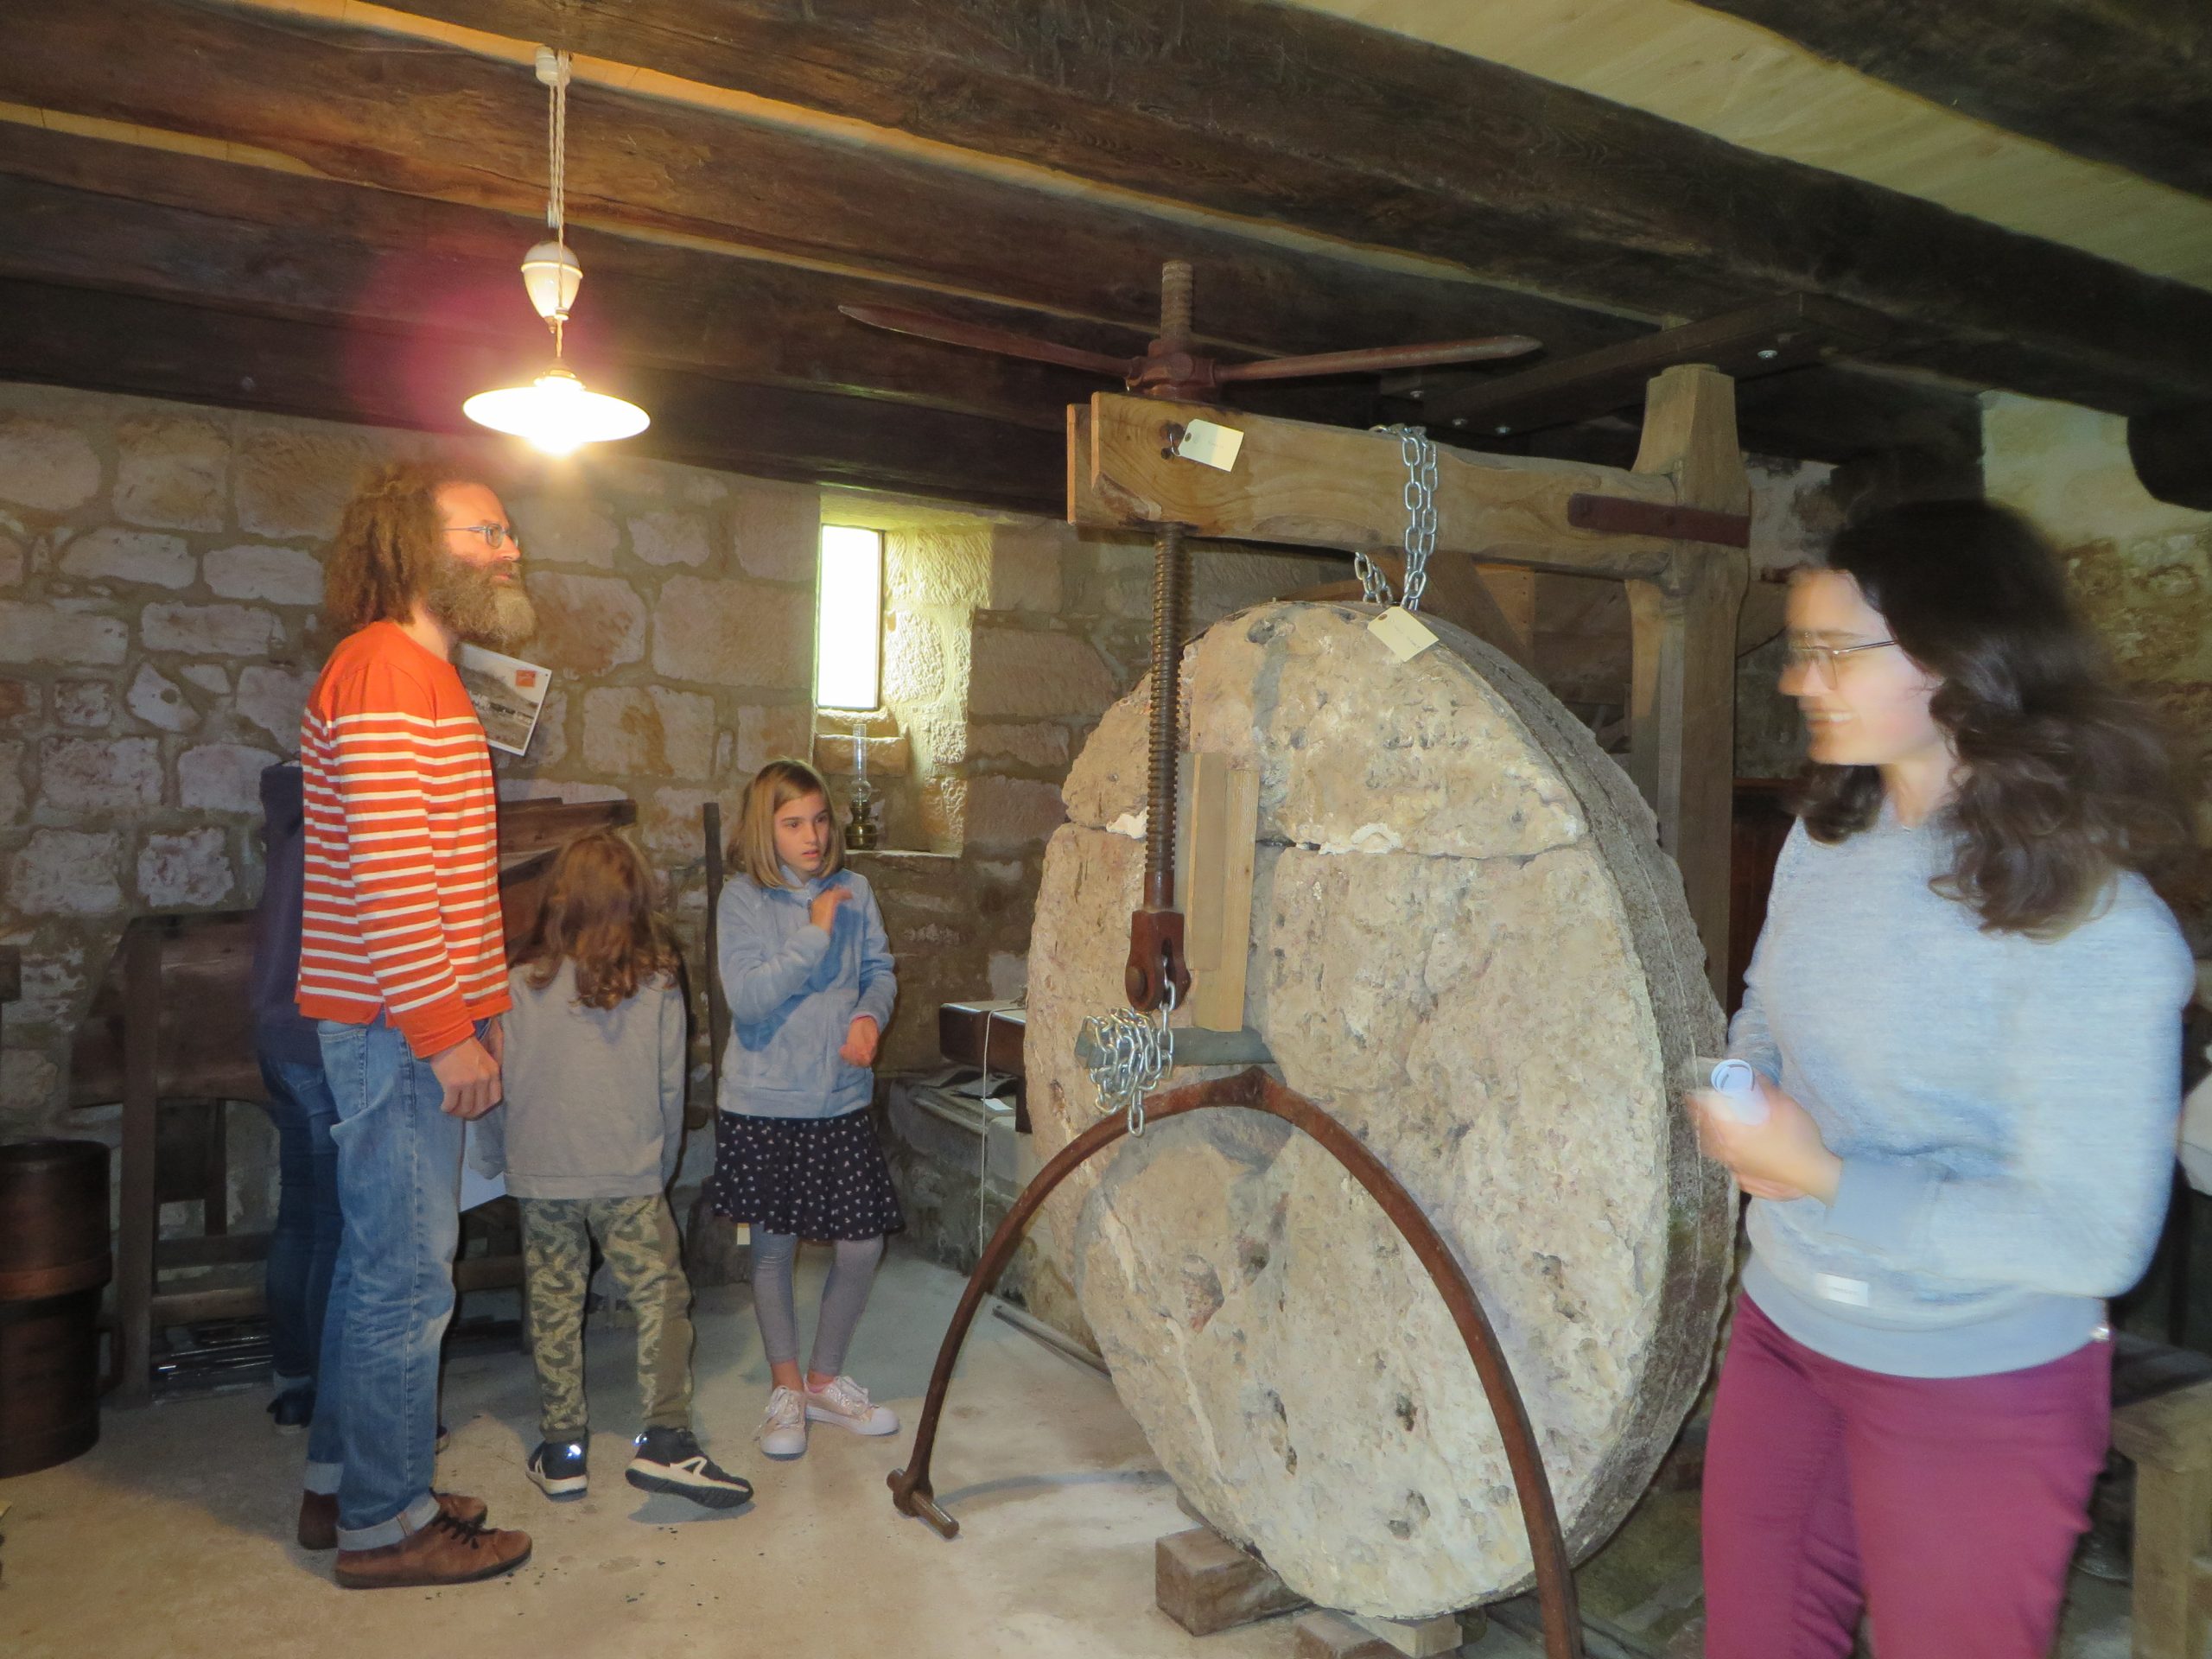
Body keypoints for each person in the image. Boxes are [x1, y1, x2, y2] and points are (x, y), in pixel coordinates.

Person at [1693, 499, 2197, 1659]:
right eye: (1799, 649)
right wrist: (1738, 1083)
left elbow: (2093, 1240)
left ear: (1963, 659)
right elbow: (1766, 1005)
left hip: (1973, 1376)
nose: (1797, 680)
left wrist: (1819, 1174)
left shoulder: (2098, 926)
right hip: (1786, 1330)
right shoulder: (1830, 836)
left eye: (1833, 651)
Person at [294, 459, 538, 1589]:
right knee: (405, 1279)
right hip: (400, 1030)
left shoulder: (415, 672)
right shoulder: (388, 671)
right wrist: (447, 1032)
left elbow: (435, 878)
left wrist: (471, 1013)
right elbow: (395, 884)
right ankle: (387, 1528)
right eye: (485, 532)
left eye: (507, 531)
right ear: (410, 544)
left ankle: (343, 1484)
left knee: (374, 1267)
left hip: (398, 1022)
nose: (509, 549)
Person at [472, 830, 753, 1510]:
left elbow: (493, 1088)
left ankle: (563, 1452)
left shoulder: (513, 986)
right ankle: (666, 1440)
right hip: (628, 1173)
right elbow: (669, 1087)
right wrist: (662, 1164)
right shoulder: (656, 985)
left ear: (558, 901)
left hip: (543, 1175)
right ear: (634, 903)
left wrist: (498, 1162)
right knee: (661, 1296)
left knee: (554, 1305)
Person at [707, 759, 902, 1460]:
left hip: (839, 1098)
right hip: (765, 1099)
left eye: (820, 820)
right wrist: (815, 933)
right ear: (766, 829)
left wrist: (870, 1018)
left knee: (862, 1245)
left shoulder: (856, 889)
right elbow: (749, 998)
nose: (813, 836)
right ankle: (786, 1387)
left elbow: (878, 972)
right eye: (793, 824)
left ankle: (823, 1380)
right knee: (772, 1250)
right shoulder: (742, 899)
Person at [249, 760, 340, 1434]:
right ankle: (331, 1392)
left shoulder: (289, 818)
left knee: (301, 1216)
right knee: (337, 1228)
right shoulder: (334, 823)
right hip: (321, 1039)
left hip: (277, 1033)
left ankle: (295, 1380)